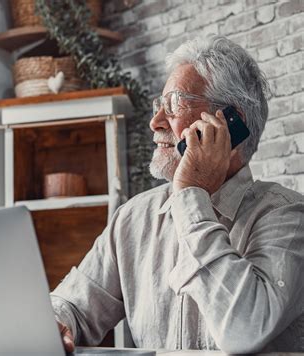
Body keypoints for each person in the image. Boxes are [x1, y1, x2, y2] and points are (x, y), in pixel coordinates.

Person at [50, 35, 304, 354]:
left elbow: (244, 330)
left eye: (173, 104)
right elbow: (73, 305)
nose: (155, 122)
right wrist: (58, 322)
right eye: (160, 106)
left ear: (228, 123)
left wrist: (190, 194)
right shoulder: (132, 218)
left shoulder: (289, 218)